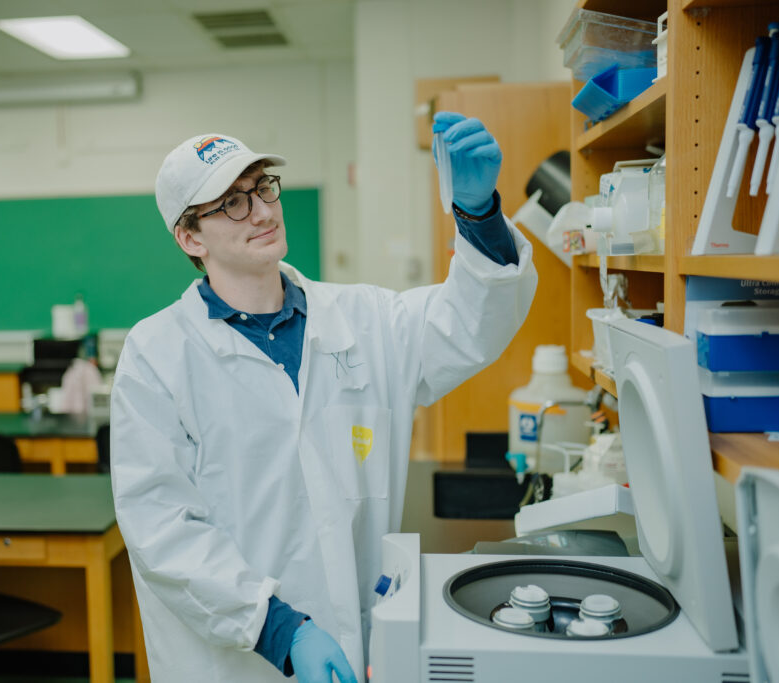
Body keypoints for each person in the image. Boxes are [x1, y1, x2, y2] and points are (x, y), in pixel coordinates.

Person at [110, 112, 537, 683]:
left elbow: (469, 326)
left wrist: (479, 215)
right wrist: (280, 628)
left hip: (357, 641)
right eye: (232, 203)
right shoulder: (156, 355)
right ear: (190, 237)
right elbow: (160, 527)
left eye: (262, 186)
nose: (262, 210)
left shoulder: (366, 319)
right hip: (234, 660)